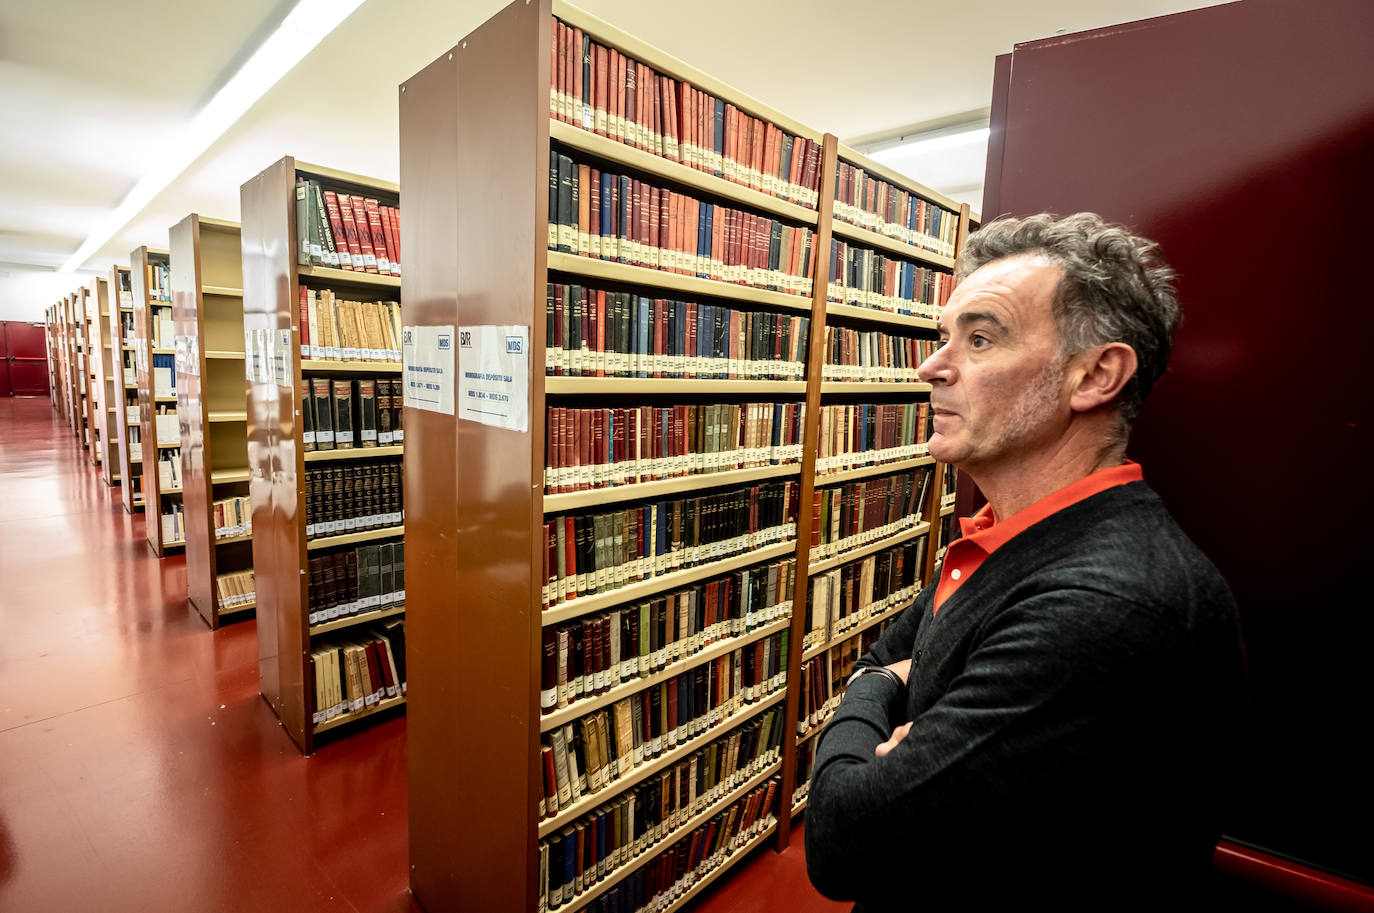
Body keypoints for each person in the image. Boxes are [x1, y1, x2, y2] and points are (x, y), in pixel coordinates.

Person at [803, 213, 1246, 910]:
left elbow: (841, 838)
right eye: (942, 337)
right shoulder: (1008, 535)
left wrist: (869, 688)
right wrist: (892, 683)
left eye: (980, 339)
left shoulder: (1107, 602)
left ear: (1095, 375)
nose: (931, 366)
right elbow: (894, 655)